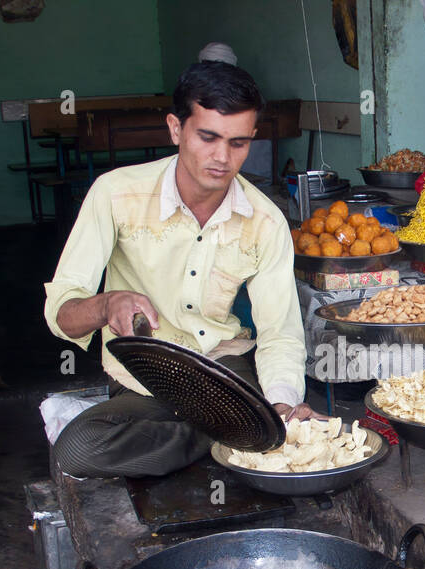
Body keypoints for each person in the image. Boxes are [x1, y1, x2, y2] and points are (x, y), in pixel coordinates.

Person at [45, 61, 320, 478]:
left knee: (272, 417)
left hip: (224, 369)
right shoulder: (116, 194)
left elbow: (279, 331)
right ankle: (231, 436)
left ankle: (244, 429)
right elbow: (62, 314)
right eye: (207, 137)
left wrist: (281, 402)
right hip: (146, 378)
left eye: (239, 143)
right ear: (176, 129)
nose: (222, 158)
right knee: (79, 449)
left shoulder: (265, 221)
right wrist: (106, 304)